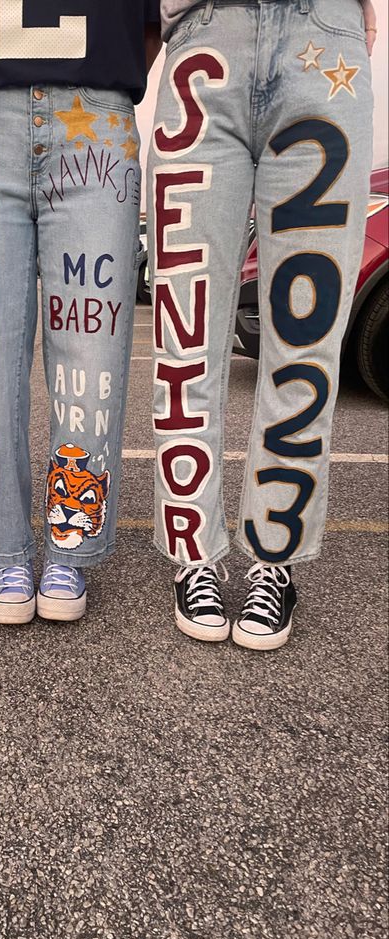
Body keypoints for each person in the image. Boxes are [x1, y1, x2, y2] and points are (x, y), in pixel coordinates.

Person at [0, 0, 161, 624]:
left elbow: (151, 26)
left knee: (90, 363)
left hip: (95, 117)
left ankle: (70, 544)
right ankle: (5, 550)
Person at [148, 0, 377, 649]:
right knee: (184, 326)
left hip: (323, 38)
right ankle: (195, 552)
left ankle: (272, 561)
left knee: (307, 333)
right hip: (202, 33)